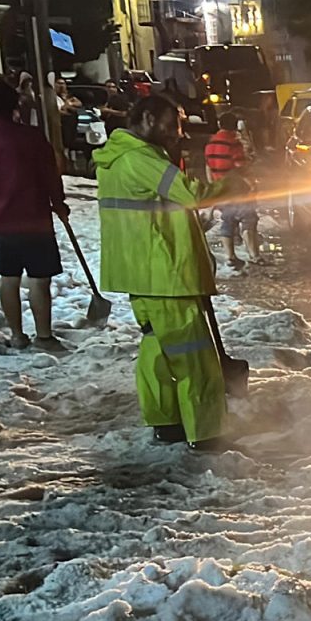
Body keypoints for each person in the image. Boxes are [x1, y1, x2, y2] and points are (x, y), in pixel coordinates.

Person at [94, 96, 228, 449]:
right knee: (195, 356)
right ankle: (206, 435)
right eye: (173, 125)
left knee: (157, 348)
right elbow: (190, 193)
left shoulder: (117, 157)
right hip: (165, 271)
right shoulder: (142, 158)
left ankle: (166, 423)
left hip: (140, 271)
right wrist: (236, 185)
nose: (179, 134)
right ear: (149, 118)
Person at [0, 80, 68, 352]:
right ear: (14, 105)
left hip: (0, 224)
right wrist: (59, 203)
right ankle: (44, 336)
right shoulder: (32, 137)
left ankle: (17, 335)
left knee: (9, 278)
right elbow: (50, 176)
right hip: (35, 221)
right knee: (40, 279)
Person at [204, 109, 260, 268]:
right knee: (249, 219)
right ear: (235, 126)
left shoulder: (211, 143)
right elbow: (240, 166)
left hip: (221, 188)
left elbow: (208, 167)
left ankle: (230, 257)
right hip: (237, 189)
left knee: (227, 220)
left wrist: (214, 186)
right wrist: (251, 184)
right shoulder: (233, 142)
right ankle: (254, 256)